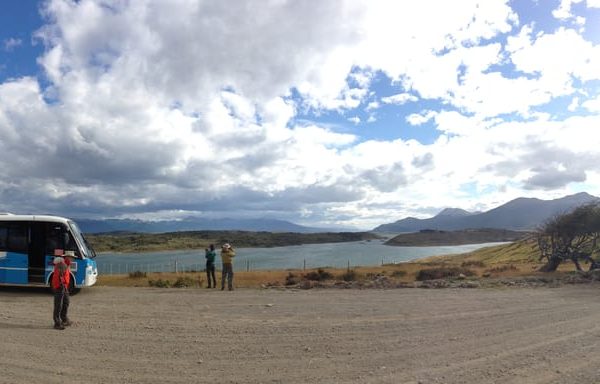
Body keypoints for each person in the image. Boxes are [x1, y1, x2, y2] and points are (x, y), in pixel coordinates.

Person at [51, 250, 74, 330]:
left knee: (66, 302)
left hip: (64, 287)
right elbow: (59, 277)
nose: (72, 259)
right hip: (60, 287)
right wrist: (61, 286)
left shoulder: (66, 264)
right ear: (67, 257)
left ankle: (64, 319)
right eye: (71, 257)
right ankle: (57, 323)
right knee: (58, 305)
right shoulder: (62, 265)